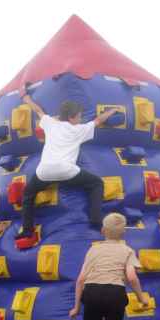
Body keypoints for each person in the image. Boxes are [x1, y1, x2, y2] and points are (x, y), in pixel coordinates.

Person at [15, 95, 119, 243]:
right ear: (71, 117)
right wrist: (112, 110)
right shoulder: (79, 130)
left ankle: (27, 230)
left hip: (44, 172)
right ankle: (96, 220)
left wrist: (26, 98)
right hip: (67, 171)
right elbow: (98, 120)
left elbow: (38, 110)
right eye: (79, 117)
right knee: (96, 183)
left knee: (28, 194)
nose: (80, 119)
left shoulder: (50, 124)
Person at [67, 213, 148, 320]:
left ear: (103, 230)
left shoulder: (93, 250)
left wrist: (76, 307)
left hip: (92, 292)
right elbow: (132, 277)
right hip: (114, 293)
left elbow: (81, 279)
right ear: (124, 232)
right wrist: (141, 298)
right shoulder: (127, 250)